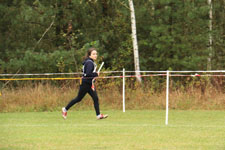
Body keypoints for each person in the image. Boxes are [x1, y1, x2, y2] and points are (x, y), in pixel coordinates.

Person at [62, 48, 108, 120]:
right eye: (93, 54)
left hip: (90, 84)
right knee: (78, 98)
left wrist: (94, 77)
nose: (95, 55)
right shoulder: (89, 62)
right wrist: (96, 74)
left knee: (95, 98)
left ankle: (98, 115)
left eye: (96, 54)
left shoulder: (89, 62)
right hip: (85, 84)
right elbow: (87, 74)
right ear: (89, 55)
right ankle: (65, 109)